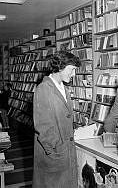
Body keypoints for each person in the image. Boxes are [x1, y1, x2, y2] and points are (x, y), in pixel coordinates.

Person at [32, 50, 81, 188]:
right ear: (60, 67)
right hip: (55, 153)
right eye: (72, 69)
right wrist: (56, 151)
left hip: (65, 150)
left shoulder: (63, 88)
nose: (74, 74)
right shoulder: (44, 89)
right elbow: (43, 127)